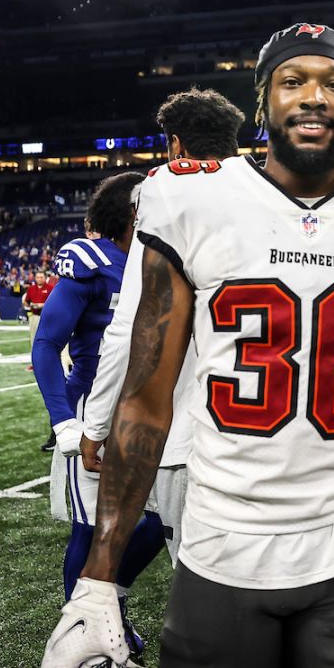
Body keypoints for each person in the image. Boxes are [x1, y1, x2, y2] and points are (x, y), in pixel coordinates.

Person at [40, 22, 334, 668]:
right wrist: (99, 577)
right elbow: (144, 395)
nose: (314, 97)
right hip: (220, 544)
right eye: (293, 80)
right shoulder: (189, 201)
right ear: (263, 101)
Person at [78, 87, 246, 569]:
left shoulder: (169, 191)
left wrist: (96, 423)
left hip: (189, 433)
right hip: (264, 432)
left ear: (175, 146)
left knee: (201, 586)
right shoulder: (270, 194)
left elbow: (130, 328)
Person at [32, 171, 166, 660]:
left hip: (154, 412)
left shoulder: (157, 263)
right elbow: (47, 344)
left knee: (161, 523)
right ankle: (81, 642)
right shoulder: (93, 260)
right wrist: (66, 422)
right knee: (92, 530)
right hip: (96, 410)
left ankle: (110, 604)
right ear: (135, 212)